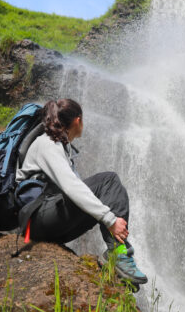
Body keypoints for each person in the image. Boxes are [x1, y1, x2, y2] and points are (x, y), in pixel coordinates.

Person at [15, 98, 148, 285]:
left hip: (49, 222)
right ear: (78, 120)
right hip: (36, 220)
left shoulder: (61, 148)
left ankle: (119, 258)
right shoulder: (46, 144)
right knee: (109, 181)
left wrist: (107, 215)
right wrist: (110, 219)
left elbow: (81, 193)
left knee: (102, 195)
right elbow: (71, 187)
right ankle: (119, 254)